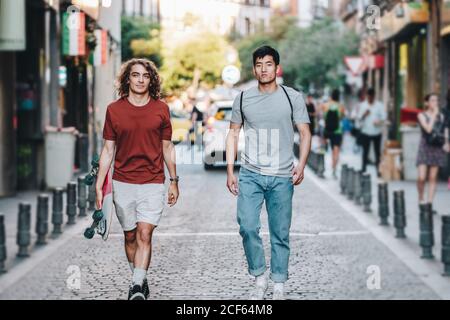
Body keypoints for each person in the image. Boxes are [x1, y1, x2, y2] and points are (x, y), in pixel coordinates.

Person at [225, 46, 311, 300]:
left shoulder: (292, 97)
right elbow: (232, 133)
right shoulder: (242, 98)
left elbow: (305, 133)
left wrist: (302, 165)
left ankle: (279, 283)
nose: (264, 69)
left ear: (277, 67)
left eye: (269, 64)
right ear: (254, 69)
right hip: (250, 173)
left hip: (282, 174)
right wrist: (230, 170)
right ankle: (259, 276)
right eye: (259, 64)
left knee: (280, 232)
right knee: (248, 226)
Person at [96, 58, 180, 300]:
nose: (141, 80)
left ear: (151, 80)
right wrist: (100, 186)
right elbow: (108, 150)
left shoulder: (161, 109)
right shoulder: (114, 110)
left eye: (145, 76)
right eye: (135, 75)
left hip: (153, 182)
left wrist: (174, 180)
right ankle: (140, 278)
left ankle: (135, 286)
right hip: (123, 182)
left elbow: (167, 148)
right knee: (130, 235)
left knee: (145, 233)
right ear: (127, 79)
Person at [416, 93, 450, 213]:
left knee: (432, 177)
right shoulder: (421, 115)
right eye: (432, 100)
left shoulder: (442, 116)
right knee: (421, 177)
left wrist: (447, 142)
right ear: (427, 103)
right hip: (425, 147)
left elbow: (445, 129)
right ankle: (421, 199)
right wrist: (434, 114)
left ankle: (429, 204)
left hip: (437, 147)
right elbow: (428, 129)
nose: (435, 103)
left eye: (437, 100)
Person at [357, 88, 386, 176]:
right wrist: (364, 114)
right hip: (365, 132)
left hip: (377, 132)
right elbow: (359, 118)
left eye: (371, 97)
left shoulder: (379, 105)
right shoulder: (363, 105)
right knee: (365, 151)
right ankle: (363, 168)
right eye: (368, 97)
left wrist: (379, 121)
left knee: (377, 152)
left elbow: (384, 117)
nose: (370, 99)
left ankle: (378, 170)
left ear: (374, 96)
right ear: (367, 96)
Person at [322, 89, 346, 179]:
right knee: (336, 152)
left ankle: (322, 166)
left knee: (324, 150)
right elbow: (342, 117)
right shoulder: (341, 106)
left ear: (331, 96)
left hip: (327, 131)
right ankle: (334, 170)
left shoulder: (326, 105)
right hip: (337, 131)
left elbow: (322, 115)